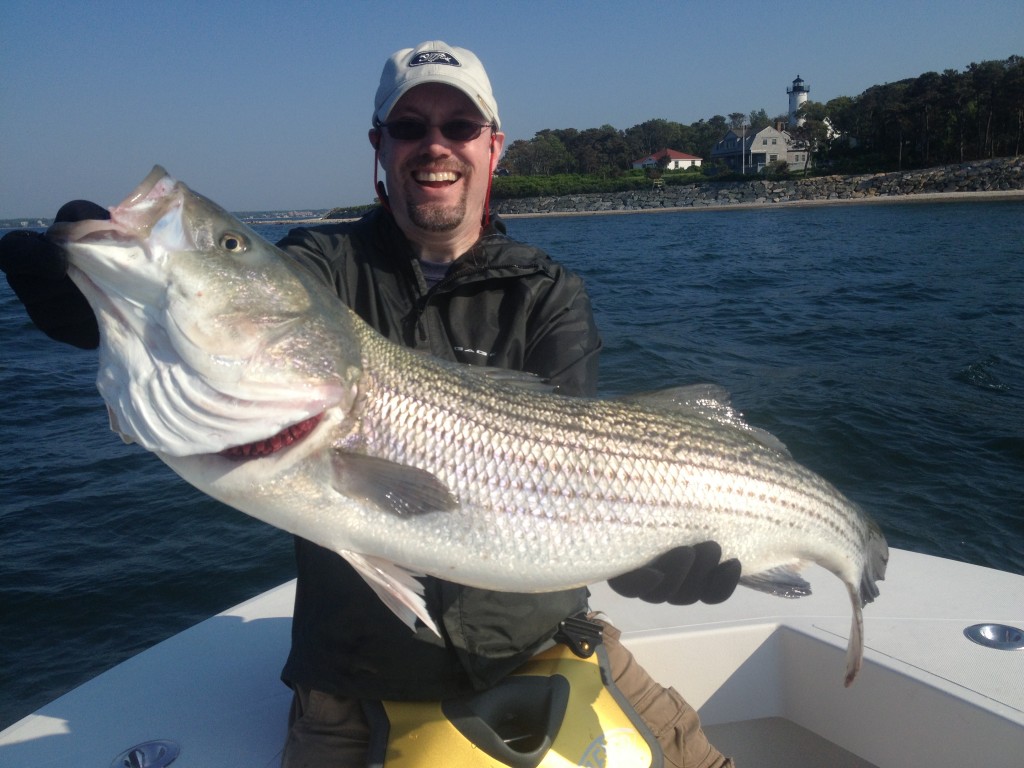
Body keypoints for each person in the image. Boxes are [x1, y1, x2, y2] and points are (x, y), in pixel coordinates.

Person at [1, 41, 740, 768]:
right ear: (379, 146)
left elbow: (569, 472)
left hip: (543, 641)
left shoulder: (548, 293)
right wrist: (87, 303)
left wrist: (650, 556)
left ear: (493, 147)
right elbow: (216, 321)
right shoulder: (321, 267)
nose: (435, 145)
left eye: (459, 126)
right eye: (411, 127)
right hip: (354, 680)